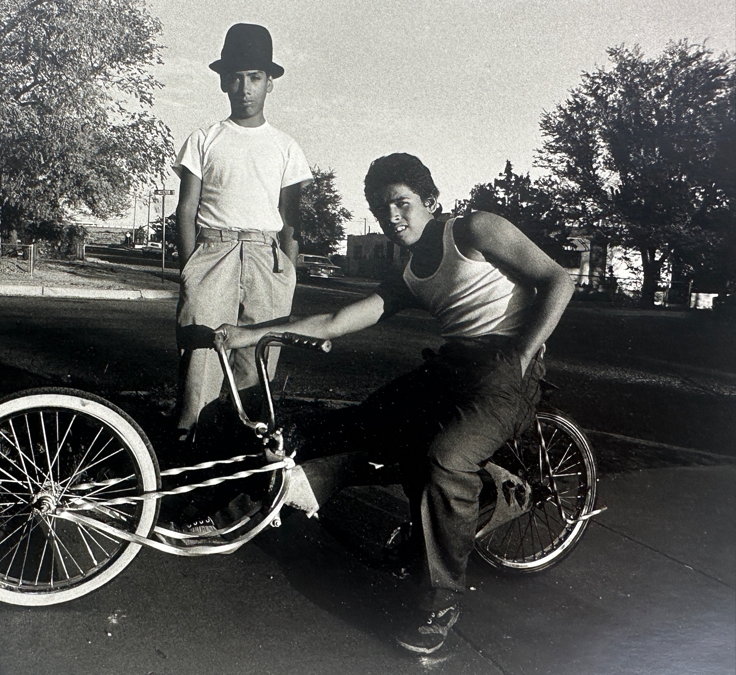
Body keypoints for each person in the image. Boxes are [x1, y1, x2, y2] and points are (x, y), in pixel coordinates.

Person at [215, 153, 575, 655]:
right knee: (365, 422)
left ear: (431, 202)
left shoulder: (474, 229)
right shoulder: (409, 276)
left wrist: (521, 351)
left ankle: (441, 601)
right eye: (382, 210)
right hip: (454, 367)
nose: (392, 218)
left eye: (402, 204)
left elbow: (560, 279)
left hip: (507, 368)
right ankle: (261, 496)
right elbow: (337, 320)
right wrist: (246, 335)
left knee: (446, 459)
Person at [172, 23, 313, 444]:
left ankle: (245, 453)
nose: (245, 87)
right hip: (213, 250)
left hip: (265, 254)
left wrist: (286, 268)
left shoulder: (286, 147)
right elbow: (186, 210)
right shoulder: (205, 139)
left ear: (270, 83)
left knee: (258, 359)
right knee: (201, 354)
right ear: (222, 81)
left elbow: (291, 220)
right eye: (236, 76)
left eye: (255, 77)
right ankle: (187, 449)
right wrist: (189, 269)